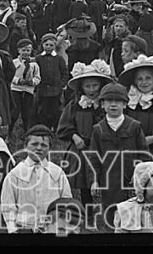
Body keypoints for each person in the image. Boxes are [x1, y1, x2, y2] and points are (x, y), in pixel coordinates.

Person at [86, 82, 151, 231]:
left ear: (125, 104)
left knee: (133, 215)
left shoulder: (134, 126)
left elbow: (144, 154)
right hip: (109, 181)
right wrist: (94, 180)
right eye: (109, 101)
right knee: (110, 214)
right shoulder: (98, 129)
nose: (113, 105)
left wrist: (141, 177)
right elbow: (93, 157)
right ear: (102, 104)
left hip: (131, 181)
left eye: (118, 101)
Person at [56, 59, 112, 223]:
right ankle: (88, 213)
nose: (92, 90)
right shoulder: (75, 105)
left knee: (106, 179)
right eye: (88, 86)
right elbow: (64, 126)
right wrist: (74, 136)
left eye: (95, 85)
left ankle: (109, 212)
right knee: (84, 183)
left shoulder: (107, 104)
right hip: (82, 149)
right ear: (81, 87)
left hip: (102, 149)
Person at [0, 124, 73, 233]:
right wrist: (13, 229)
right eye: (34, 144)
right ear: (25, 146)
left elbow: (66, 201)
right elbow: (8, 206)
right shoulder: (15, 175)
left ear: (49, 148)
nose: (39, 148)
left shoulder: (57, 173)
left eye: (44, 145)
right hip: (24, 229)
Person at [34, 33, 69, 131]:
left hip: (56, 90)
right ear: (42, 45)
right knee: (43, 110)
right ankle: (44, 128)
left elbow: (64, 72)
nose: (49, 47)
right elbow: (35, 72)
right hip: (42, 89)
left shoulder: (59, 58)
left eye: (51, 45)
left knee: (56, 110)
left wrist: (61, 84)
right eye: (46, 45)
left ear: (54, 46)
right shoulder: (38, 58)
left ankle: (56, 128)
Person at [9, 38, 41, 138]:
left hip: (28, 90)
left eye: (28, 50)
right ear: (18, 50)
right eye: (23, 50)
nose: (26, 52)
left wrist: (32, 82)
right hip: (16, 89)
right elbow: (9, 75)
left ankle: (27, 133)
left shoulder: (34, 64)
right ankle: (9, 133)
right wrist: (18, 80)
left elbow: (38, 77)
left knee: (26, 113)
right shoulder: (14, 62)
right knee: (14, 112)